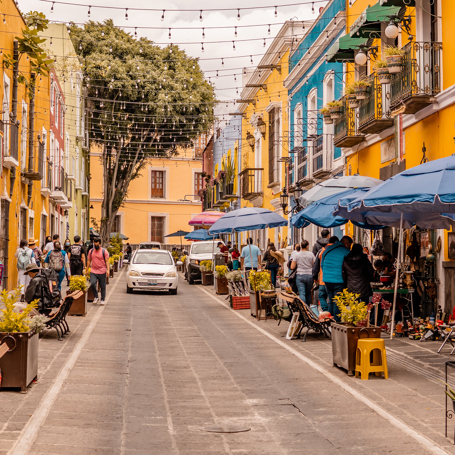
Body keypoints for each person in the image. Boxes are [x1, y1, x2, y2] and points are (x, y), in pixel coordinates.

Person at [321, 236, 350, 322]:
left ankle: (330, 320)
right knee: (338, 301)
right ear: (346, 244)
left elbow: (322, 265)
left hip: (327, 279)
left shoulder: (327, 250)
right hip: (338, 280)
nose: (350, 246)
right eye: (349, 244)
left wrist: (327, 275)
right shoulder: (346, 251)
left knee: (331, 300)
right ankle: (336, 321)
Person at [291, 240, 316, 314]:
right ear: (307, 246)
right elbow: (314, 265)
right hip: (309, 275)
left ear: (301, 246)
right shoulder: (311, 254)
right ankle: (308, 309)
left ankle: (303, 310)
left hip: (300, 275)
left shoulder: (297, 255)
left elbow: (292, 266)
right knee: (308, 293)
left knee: (302, 293)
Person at [86, 238, 110, 305]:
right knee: (92, 284)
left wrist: (108, 270)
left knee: (102, 286)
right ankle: (96, 297)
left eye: (97, 245)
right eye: (95, 244)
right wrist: (87, 269)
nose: (96, 246)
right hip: (93, 271)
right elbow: (89, 260)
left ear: (100, 244)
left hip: (102, 271)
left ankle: (102, 299)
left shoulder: (104, 251)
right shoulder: (91, 251)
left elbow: (107, 261)